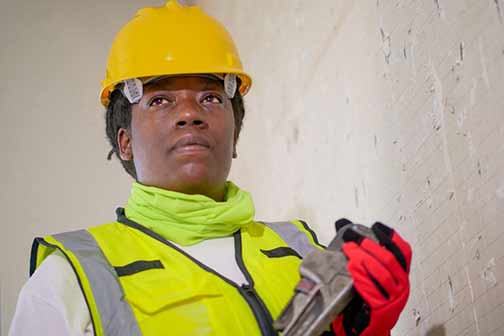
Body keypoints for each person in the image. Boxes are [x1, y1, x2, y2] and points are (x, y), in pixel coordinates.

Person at [10, 1, 412, 335]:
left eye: (211, 97)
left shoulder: (302, 251)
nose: (189, 113)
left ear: (235, 136)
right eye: (160, 101)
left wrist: (362, 328)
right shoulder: (71, 279)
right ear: (125, 142)